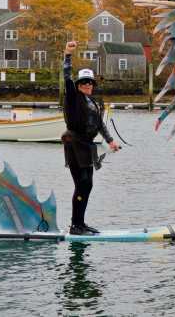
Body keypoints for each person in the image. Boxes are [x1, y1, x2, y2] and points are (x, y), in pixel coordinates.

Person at [62, 41, 120, 235]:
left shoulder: (94, 102)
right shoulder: (73, 97)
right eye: (83, 82)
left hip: (86, 145)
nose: (87, 85)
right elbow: (67, 76)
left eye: (90, 82)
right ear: (78, 85)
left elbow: (100, 124)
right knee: (82, 183)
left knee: (88, 184)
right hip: (74, 143)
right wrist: (68, 55)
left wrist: (110, 140)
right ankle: (75, 226)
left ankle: (81, 223)